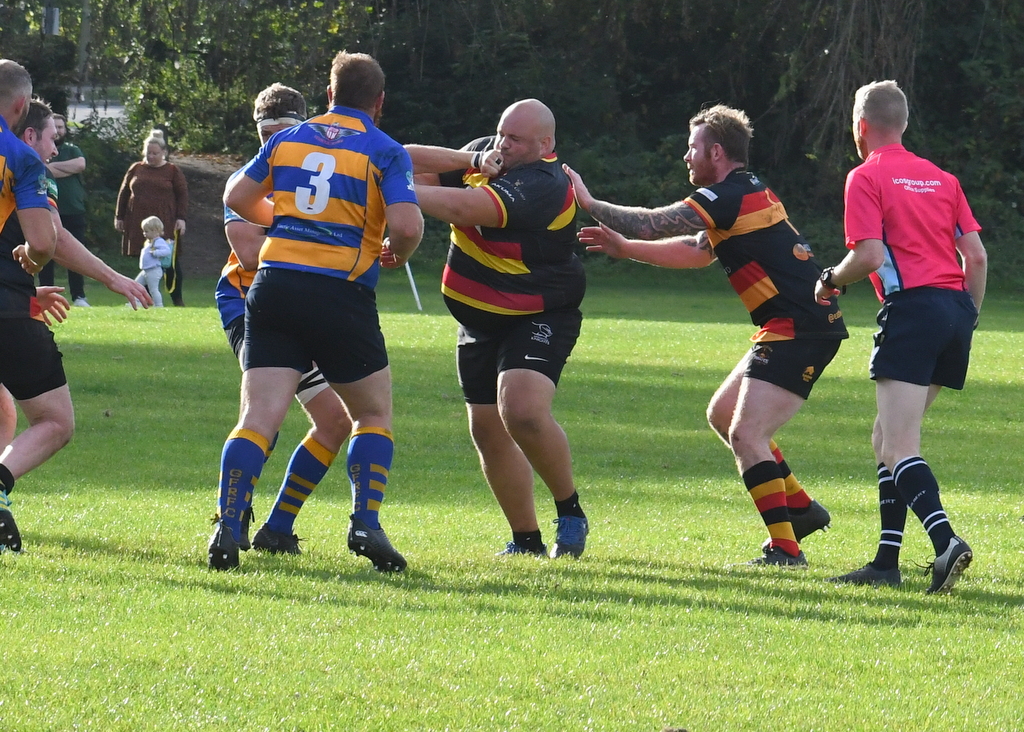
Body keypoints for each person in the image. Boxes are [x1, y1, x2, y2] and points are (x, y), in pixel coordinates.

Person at [565, 104, 847, 567]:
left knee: (747, 433)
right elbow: (697, 252)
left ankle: (786, 549)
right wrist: (626, 249)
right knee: (723, 414)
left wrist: (590, 204)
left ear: (716, 152)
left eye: (692, 147)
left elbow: (651, 222)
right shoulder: (741, 193)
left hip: (800, 327)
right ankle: (800, 509)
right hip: (792, 324)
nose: (686, 156)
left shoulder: (726, 195)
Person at [210, 50, 423, 572]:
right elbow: (408, 227)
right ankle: (364, 522)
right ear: (379, 102)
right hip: (339, 294)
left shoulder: (289, 139)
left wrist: (283, 220)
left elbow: (236, 194)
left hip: (274, 287)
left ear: (329, 94)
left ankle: (228, 523)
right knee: (371, 414)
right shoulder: (384, 149)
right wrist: (397, 251)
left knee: (257, 418)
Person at [814, 80, 987, 593]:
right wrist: (968, 317)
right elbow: (976, 257)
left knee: (899, 445)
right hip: (955, 312)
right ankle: (886, 562)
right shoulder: (943, 179)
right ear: (904, 124)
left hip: (913, 310)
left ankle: (946, 542)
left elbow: (868, 256)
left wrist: (829, 280)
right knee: (883, 438)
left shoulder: (866, 176)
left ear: (860, 126)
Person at [405, 98, 591, 559]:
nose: (503, 144)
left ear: (545, 144)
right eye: (502, 133)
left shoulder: (544, 183)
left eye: (516, 139)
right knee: (488, 431)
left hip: (538, 312)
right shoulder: (487, 151)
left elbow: (466, 207)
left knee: (522, 410)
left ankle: (569, 510)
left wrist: (390, 189)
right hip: (478, 319)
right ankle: (525, 541)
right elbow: (412, 163)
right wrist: (459, 159)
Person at [0, 66, 152, 553]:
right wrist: (106, 277)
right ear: (23, 114)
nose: (54, 148)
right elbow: (50, 239)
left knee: (3, 411)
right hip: (7, 313)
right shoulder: (22, 161)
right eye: (51, 138)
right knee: (54, 421)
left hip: (14, 301)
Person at [215, 82, 352, 555]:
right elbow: (249, 252)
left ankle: (277, 527)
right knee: (263, 414)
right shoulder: (248, 181)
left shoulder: (324, 175)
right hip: (248, 301)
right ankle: (230, 516)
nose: (272, 143)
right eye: (265, 134)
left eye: (282, 132)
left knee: (336, 421)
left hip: (305, 303)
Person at [115, 129, 188, 305]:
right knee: (147, 261)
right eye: (148, 153)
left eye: (155, 153)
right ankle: (144, 299)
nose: (151, 156)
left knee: (169, 262)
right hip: (139, 221)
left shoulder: (172, 170)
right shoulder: (136, 168)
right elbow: (124, 193)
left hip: (165, 222)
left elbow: (183, 195)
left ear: (164, 152)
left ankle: (177, 300)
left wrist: (181, 218)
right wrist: (119, 216)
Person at [42, 113, 90, 307]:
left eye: (61, 127)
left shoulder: (71, 149)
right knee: (46, 254)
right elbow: (41, 170)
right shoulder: (41, 148)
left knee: (76, 253)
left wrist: (51, 168)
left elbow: (80, 164)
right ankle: (46, 292)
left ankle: (79, 296)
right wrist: (63, 169)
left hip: (73, 210)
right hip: (47, 211)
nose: (58, 131)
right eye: (55, 127)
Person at [136, 216, 171, 307]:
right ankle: (136, 302)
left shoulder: (158, 241)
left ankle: (159, 305)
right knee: (136, 285)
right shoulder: (149, 242)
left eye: (146, 231)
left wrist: (156, 253)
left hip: (154, 270)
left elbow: (167, 251)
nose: (144, 233)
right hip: (146, 270)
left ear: (155, 231)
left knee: (153, 289)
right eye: (144, 231)